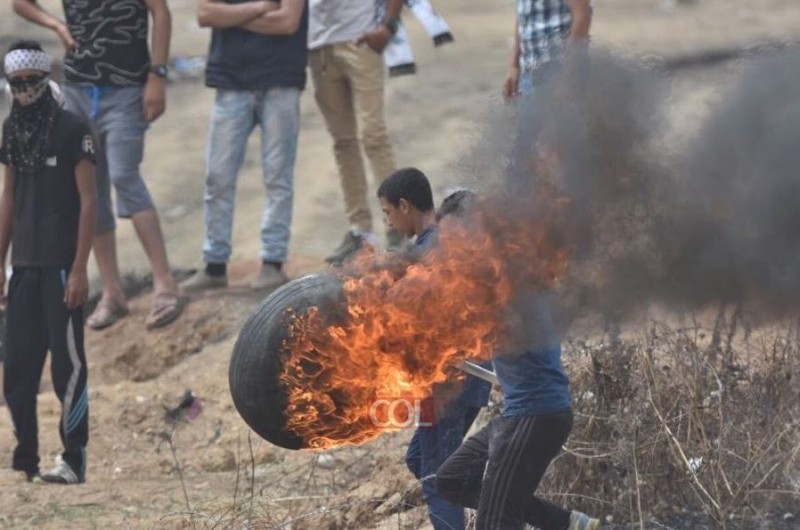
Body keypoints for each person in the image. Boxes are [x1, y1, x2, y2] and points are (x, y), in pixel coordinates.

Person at [13, 0, 185, 331]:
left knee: (124, 175)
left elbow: (161, 12)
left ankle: (165, 283)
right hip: (77, 88)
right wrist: (57, 26)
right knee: (87, 186)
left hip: (127, 88)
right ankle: (111, 291)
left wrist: (158, 74)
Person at [0, 41, 96, 484]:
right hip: (24, 267)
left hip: (61, 267)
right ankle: (27, 460)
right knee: (18, 368)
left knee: (67, 366)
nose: (24, 91)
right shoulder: (11, 130)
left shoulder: (73, 128)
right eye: (15, 84)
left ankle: (73, 457)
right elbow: (8, 198)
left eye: (30, 82)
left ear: (44, 79)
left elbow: (89, 201)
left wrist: (79, 268)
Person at [377, 168, 492, 530]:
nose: (389, 222)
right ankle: (511, 508)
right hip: (471, 380)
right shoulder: (446, 243)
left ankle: (512, 508)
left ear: (405, 205)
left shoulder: (428, 254)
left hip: (445, 385)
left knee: (436, 479)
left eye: (388, 212)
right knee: (421, 460)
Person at [179, 0, 308, 293]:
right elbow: (205, 14)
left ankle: (273, 262)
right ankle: (214, 264)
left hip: (280, 78)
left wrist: (232, 17)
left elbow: (288, 21)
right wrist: (261, 7)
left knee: (277, 176)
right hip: (231, 80)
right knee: (218, 176)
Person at [309, 0, 404, 266]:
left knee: (373, 135)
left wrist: (388, 27)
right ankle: (360, 231)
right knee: (343, 143)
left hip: (360, 40)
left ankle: (397, 225)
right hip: (319, 47)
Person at [503, 0, 592, 100]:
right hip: (528, 73)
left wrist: (569, 77)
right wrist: (514, 65)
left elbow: (581, 18)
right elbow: (524, 15)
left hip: (559, 71)